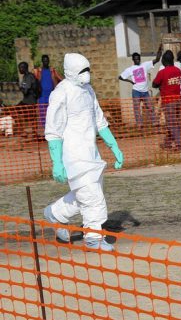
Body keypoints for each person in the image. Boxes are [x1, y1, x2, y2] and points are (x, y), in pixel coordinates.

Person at [42, 53, 124, 252]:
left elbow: (99, 120)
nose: (86, 74)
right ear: (70, 72)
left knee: (85, 195)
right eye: (82, 71)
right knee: (92, 198)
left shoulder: (88, 90)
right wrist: (57, 162)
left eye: (88, 70)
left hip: (91, 155)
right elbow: (53, 130)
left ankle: (56, 213)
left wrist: (115, 147)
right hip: (74, 156)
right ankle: (93, 238)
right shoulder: (61, 93)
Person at [119, 46, 163, 128]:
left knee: (150, 107)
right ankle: (139, 124)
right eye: (136, 59)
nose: (137, 60)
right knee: (137, 109)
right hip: (136, 91)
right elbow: (120, 77)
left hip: (145, 91)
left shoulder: (145, 65)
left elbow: (156, 60)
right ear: (133, 60)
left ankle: (154, 122)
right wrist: (130, 81)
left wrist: (159, 50)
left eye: (138, 59)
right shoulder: (130, 69)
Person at [152, 50, 181, 151]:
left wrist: (161, 85)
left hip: (168, 101)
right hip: (178, 100)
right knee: (174, 122)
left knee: (171, 123)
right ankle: (168, 142)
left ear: (163, 61)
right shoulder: (178, 71)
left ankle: (180, 144)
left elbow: (154, 84)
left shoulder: (162, 72)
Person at [34, 55, 63, 130]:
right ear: (42, 61)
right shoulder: (38, 71)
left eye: (47, 60)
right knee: (43, 113)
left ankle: (53, 128)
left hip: (51, 95)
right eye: (44, 60)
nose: (45, 62)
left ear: (48, 61)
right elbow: (34, 81)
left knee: (52, 112)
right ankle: (45, 129)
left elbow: (60, 78)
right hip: (42, 96)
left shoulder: (52, 70)